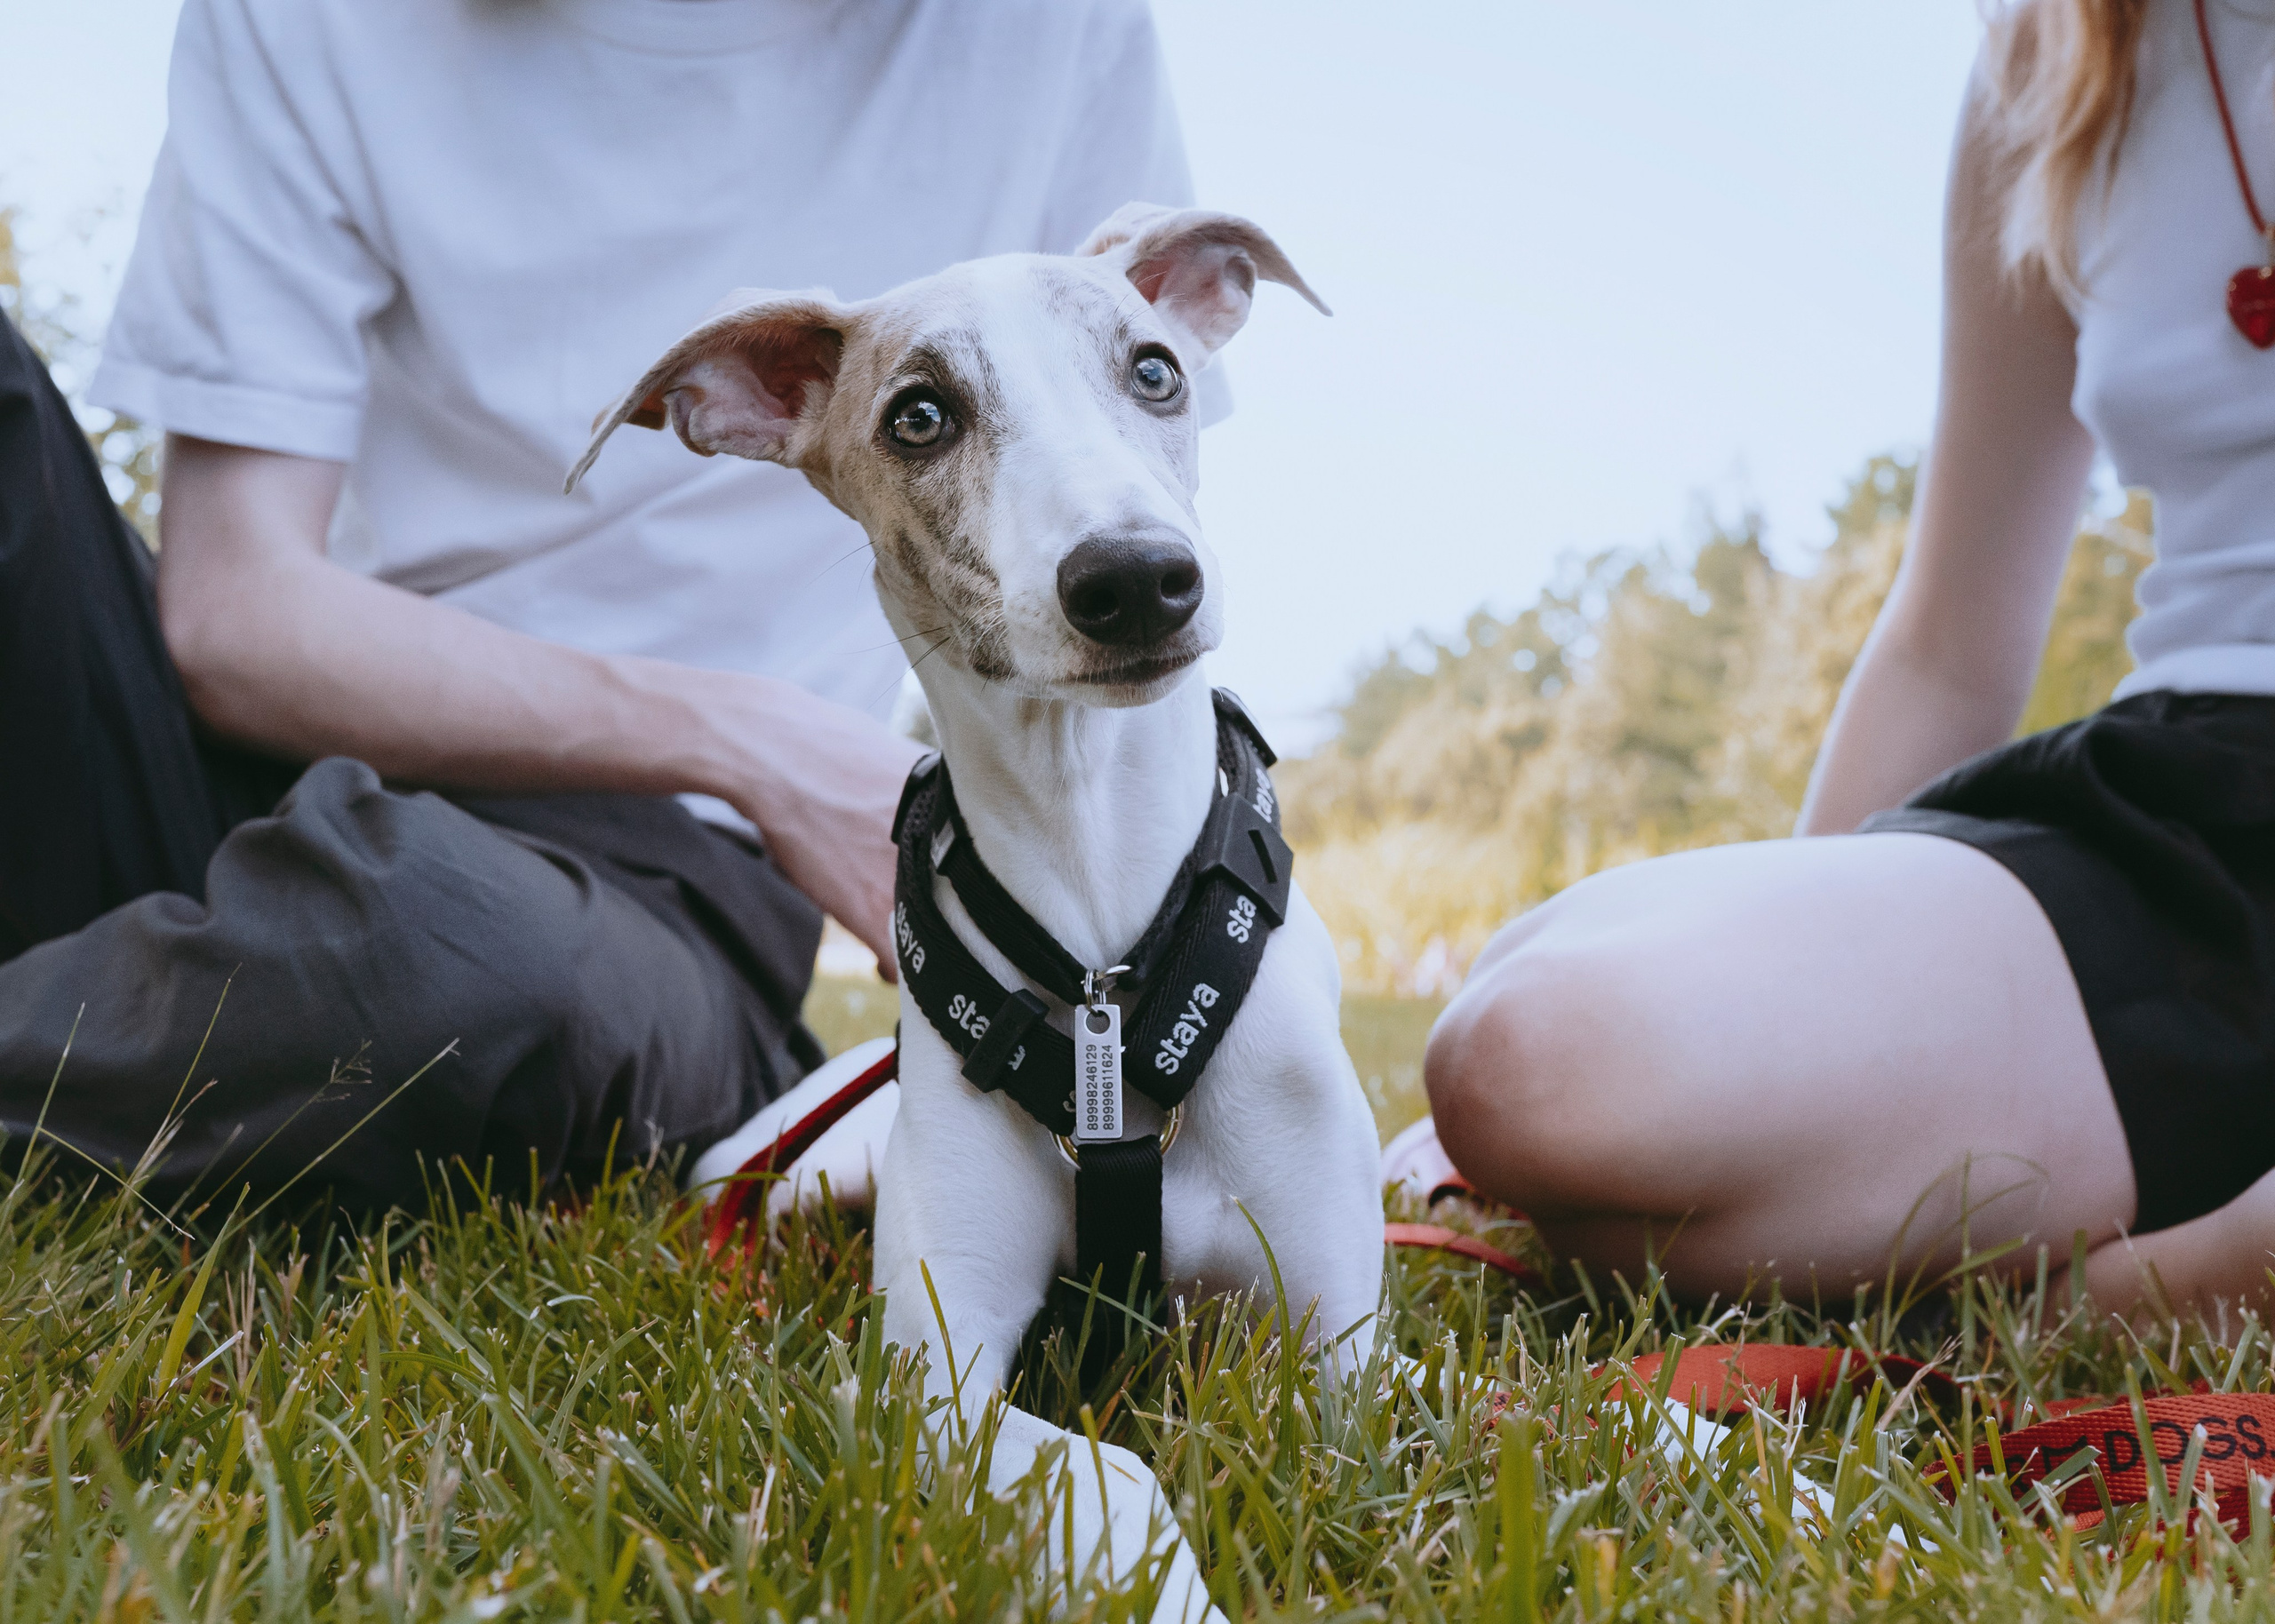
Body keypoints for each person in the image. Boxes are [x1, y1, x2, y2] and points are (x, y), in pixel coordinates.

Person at [0, 0, 1222, 1214]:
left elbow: (1119, 490)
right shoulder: (300, 17)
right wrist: (754, 737)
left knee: (439, 957)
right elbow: (233, 611)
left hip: (646, 886)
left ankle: (133, 1004)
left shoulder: (1057, 31)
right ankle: (151, 1005)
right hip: (247, 763)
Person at [1421, 0, 2275, 1318]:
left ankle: (2147, 1291)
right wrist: (1798, 984)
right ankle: (2186, 1264)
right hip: (2186, 825)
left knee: (1648, 1219)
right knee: (1533, 1057)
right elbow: (1948, 642)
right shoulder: (2054, 59)